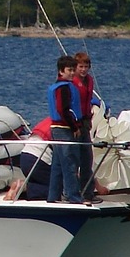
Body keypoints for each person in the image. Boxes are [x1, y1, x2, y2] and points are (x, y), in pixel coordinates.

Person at [46, 55, 83, 203]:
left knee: (58, 164)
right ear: (61, 71)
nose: (72, 73)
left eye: (74, 70)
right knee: (69, 163)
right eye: (69, 70)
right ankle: (73, 196)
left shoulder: (57, 87)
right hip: (64, 128)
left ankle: (53, 196)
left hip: (56, 128)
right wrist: (74, 126)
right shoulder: (63, 88)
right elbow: (63, 109)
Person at [70, 52, 100, 203]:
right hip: (75, 123)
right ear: (75, 67)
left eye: (86, 67)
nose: (83, 70)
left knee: (87, 159)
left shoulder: (89, 80)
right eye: (81, 67)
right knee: (74, 159)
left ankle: (88, 192)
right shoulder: (72, 82)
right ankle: (72, 192)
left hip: (86, 122)